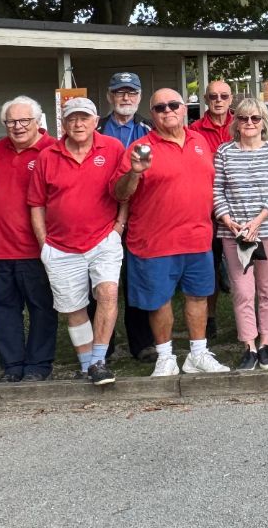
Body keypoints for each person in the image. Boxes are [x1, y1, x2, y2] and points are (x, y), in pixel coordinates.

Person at [113, 89, 230, 376]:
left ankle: (198, 354)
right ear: (152, 114)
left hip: (197, 237)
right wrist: (135, 173)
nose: (168, 111)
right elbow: (119, 193)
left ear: (183, 108)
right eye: (160, 107)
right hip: (154, 241)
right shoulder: (140, 148)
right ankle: (165, 357)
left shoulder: (199, 141)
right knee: (159, 300)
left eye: (173, 105)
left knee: (198, 296)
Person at [29, 97, 128, 385]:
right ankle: (87, 365)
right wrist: (44, 243)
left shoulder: (112, 148)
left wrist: (119, 227)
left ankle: (99, 361)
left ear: (96, 121)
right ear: (64, 123)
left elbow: (125, 191)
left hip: (103, 239)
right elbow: (36, 203)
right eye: (72, 119)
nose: (78, 124)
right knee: (73, 308)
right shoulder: (48, 156)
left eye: (84, 118)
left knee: (108, 293)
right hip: (60, 246)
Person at [0, 97, 56, 382]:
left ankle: (38, 365)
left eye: (24, 120)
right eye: (11, 121)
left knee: (41, 307)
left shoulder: (52, 150)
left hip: (34, 248)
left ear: (38, 121)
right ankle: (11, 366)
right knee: (2, 310)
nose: (18, 126)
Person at [213, 97, 268, 370]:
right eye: (244, 118)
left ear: (263, 123)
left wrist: (258, 220)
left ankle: (266, 342)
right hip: (234, 232)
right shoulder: (224, 152)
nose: (249, 123)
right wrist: (228, 220)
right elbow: (217, 190)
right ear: (237, 122)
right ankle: (249, 345)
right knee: (243, 291)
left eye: (255, 118)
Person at [97, 71, 154, 361]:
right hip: (98, 215)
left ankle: (142, 342)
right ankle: (102, 346)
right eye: (119, 92)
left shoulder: (149, 128)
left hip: (138, 217)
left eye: (131, 92)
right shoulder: (95, 127)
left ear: (140, 96)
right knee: (100, 284)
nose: (125, 98)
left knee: (136, 279)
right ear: (109, 96)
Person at [190, 80, 234, 340]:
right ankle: (210, 318)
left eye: (224, 96)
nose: (219, 100)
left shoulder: (242, 123)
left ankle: (251, 319)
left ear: (231, 99)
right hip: (207, 207)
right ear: (206, 99)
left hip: (241, 204)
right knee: (211, 265)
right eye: (214, 96)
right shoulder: (194, 130)